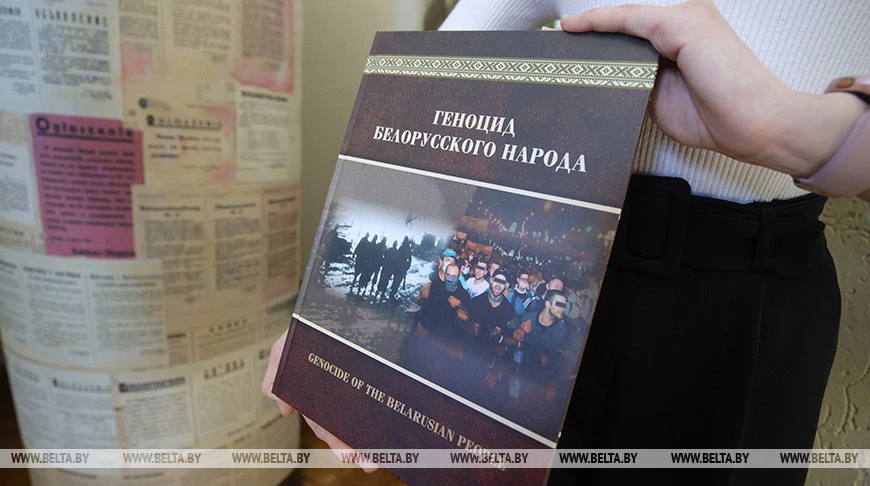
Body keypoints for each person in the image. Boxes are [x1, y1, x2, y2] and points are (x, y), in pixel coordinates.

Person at [262, 1, 869, 481]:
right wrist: (335, 321)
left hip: (750, 293)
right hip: (570, 246)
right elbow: (436, 87)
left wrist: (792, 131)